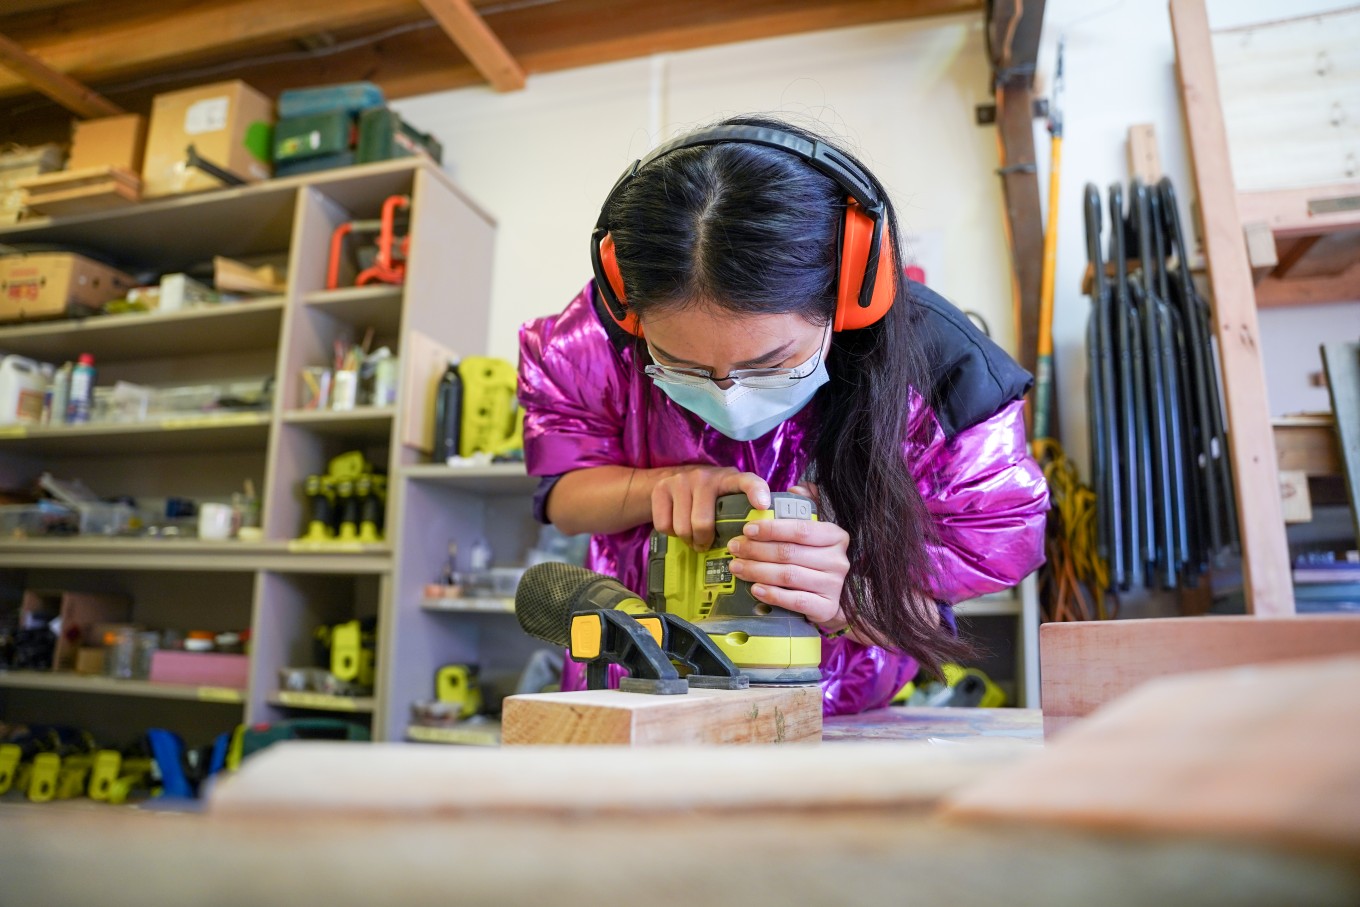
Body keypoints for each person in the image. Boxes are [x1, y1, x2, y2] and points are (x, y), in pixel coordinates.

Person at [518, 115, 1048, 715]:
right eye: (679, 363)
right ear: (629, 311)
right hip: (635, 692)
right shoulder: (593, 337)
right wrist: (658, 487)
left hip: (834, 715)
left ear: (849, 294)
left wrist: (852, 600)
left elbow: (988, 553)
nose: (728, 394)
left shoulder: (949, 376)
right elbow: (561, 491)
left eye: (771, 362)